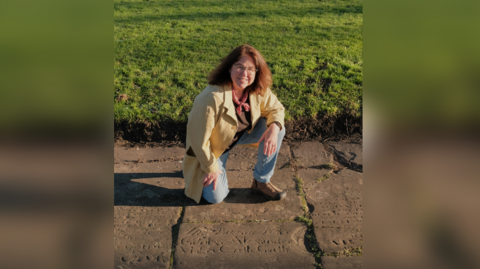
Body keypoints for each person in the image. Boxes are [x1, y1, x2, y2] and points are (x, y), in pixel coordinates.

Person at [182, 44, 286, 204]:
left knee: (278, 128)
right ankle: (197, 169)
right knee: (214, 197)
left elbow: (276, 108)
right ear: (229, 68)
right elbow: (199, 142)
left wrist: (273, 128)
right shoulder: (210, 98)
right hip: (213, 148)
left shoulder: (257, 88)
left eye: (251, 69)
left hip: (239, 136)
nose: (245, 73)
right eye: (240, 66)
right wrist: (211, 168)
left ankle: (261, 181)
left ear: (257, 72)